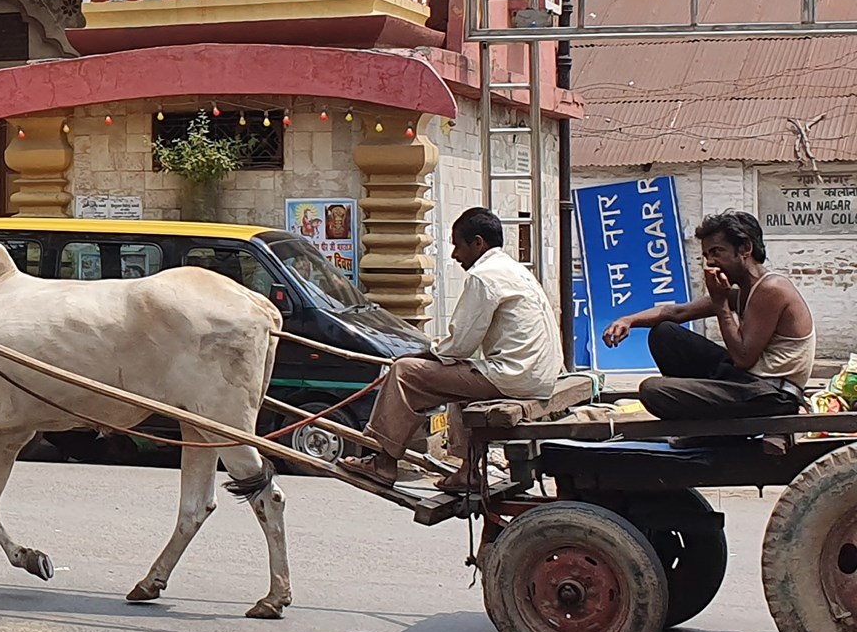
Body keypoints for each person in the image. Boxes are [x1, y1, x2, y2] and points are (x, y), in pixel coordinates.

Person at [342, 208, 563, 493]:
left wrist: (421, 355)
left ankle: (383, 461)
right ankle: (468, 470)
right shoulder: (516, 270)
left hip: (514, 376)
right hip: (536, 375)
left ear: (478, 243)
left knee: (403, 373)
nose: (455, 255)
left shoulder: (483, 276)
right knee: (457, 382)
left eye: (458, 245)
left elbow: (460, 345)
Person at [604, 210, 815, 420]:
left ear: (745, 248)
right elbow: (677, 312)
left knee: (653, 390)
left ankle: (708, 427)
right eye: (707, 256)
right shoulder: (741, 292)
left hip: (772, 394)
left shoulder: (771, 288)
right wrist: (627, 320)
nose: (710, 263)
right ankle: (702, 414)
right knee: (665, 333)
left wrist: (721, 304)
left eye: (717, 252)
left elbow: (743, 357)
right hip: (746, 381)